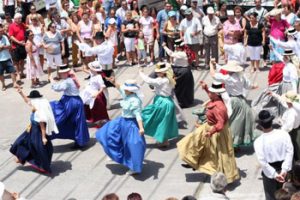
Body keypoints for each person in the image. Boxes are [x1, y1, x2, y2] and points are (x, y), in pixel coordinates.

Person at [177, 81, 240, 184]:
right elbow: (212, 96)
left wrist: (211, 132)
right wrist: (206, 88)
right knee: (192, 142)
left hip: (216, 131)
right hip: (209, 127)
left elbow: (220, 123)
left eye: (210, 92)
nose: (209, 93)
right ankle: (193, 161)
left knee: (219, 155)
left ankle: (223, 177)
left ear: (216, 94)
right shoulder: (216, 98)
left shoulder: (220, 107)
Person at [96, 79, 146, 175]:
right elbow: (119, 88)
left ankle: (134, 167)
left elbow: (138, 115)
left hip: (131, 124)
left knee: (133, 145)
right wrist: (113, 82)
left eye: (126, 89)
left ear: (131, 90)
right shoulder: (126, 94)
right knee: (107, 133)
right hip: (122, 121)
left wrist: (141, 128)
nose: (125, 90)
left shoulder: (135, 101)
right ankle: (113, 154)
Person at [210, 60, 257, 148]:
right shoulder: (242, 76)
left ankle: (229, 142)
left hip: (232, 100)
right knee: (238, 122)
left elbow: (213, 75)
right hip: (241, 100)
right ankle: (236, 142)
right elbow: (249, 86)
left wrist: (210, 65)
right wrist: (215, 64)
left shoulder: (229, 78)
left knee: (230, 122)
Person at [10, 89, 58, 173]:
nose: (30, 101)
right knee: (22, 142)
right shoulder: (37, 105)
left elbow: (42, 125)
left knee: (35, 147)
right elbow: (27, 101)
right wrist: (21, 93)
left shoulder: (39, 112)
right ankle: (20, 158)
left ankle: (40, 164)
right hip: (31, 129)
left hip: (37, 132)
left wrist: (43, 137)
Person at [254, 110, 294, 200]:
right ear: (272, 122)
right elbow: (290, 152)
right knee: (287, 196)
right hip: (285, 171)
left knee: (271, 197)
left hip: (269, 173)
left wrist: (275, 174)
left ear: (260, 125)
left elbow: (262, 162)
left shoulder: (258, 142)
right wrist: (284, 170)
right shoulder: (284, 134)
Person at [140, 63, 179, 147]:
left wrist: (141, 73)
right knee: (164, 122)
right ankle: (164, 140)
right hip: (168, 101)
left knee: (148, 116)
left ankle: (163, 141)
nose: (157, 73)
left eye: (159, 72)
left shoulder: (161, 80)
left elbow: (149, 80)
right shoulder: (169, 79)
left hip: (162, 102)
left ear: (163, 72)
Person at [50, 65, 90, 148]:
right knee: (77, 121)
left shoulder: (67, 81)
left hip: (71, 102)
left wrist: (52, 82)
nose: (60, 75)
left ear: (65, 73)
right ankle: (79, 140)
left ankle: (50, 132)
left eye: (61, 73)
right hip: (76, 101)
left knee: (61, 119)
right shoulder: (71, 78)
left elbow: (59, 88)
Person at [76, 31, 115, 109]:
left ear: (101, 39)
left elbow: (89, 51)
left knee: (101, 87)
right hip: (109, 68)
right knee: (103, 87)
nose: (96, 41)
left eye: (97, 39)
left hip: (102, 69)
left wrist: (79, 44)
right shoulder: (110, 44)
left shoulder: (100, 47)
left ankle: (104, 103)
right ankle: (103, 103)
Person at [268, 91, 300, 161]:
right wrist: (274, 95)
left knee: (294, 147)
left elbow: (288, 127)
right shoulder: (295, 105)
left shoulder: (292, 113)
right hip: (295, 128)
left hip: (292, 131)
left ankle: (296, 162)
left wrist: (279, 132)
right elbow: (283, 102)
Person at [162, 39, 194, 108]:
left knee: (181, 88)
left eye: (176, 47)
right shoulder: (178, 51)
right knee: (177, 87)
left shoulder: (182, 53)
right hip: (177, 69)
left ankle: (182, 102)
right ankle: (177, 100)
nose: (175, 48)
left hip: (182, 72)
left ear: (179, 47)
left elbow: (171, 54)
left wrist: (165, 47)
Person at [80, 61, 109, 126]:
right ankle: (89, 117)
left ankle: (98, 120)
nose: (90, 69)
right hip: (88, 92)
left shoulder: (98, 77)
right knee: (86, 105)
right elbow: (86, 71)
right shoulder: (92, 73)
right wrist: (83, 67)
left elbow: (102, 87)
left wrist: (97, 94)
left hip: (94, 92)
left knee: (96, 107)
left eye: (91, 68)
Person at [0, 24, 19, 91]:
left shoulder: (4, 37)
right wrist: (3, 47)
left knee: (12, 71)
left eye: (1, 29)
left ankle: (14, 83)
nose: (1, 30)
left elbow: (9, 46)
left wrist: (2, 47)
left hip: (7, 57)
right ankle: (3, 84)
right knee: (1, 73)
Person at [9, 13, 27, 80]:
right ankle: (18, 74)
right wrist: (19, 42)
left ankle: (22, 73)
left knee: (22, 60)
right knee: (16, 61)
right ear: (15, 19)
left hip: (22, 45)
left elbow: (26, 31)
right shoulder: (11, 26)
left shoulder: (22, 24)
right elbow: (11, 36)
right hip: (16, 46)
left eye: (21, 18)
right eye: (19, 18)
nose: (20, 19)